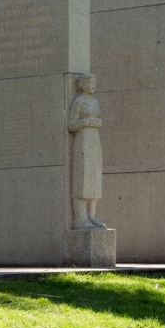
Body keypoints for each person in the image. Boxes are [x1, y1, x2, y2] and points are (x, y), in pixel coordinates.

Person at [68, 73, 106, 230]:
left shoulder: (95, 101)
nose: (93, 85)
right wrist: (84, 122)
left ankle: (92, 216)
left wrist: (97, 123)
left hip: (95, 140)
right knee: (83, 178)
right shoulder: (79, 101)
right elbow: (71, 124)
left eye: (95, 82)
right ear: (82, 84)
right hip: (83, 139)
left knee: (94, 177)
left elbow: (100, 119)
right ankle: (80, 218)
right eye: (90, 82)